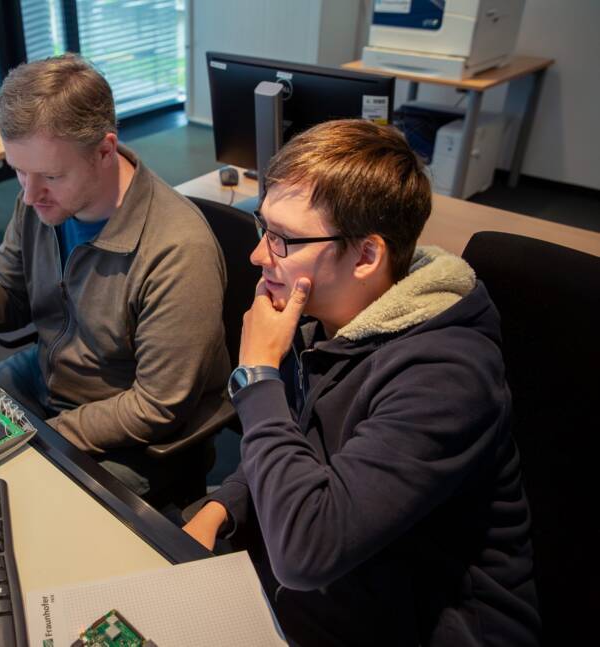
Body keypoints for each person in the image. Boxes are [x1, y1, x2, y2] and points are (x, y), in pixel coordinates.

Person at [182, 120, 540, 645]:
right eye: (263, 228)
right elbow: (304, 443)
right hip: (342, 584)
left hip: (430, 623)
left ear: (367, 256)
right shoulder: (326, 326)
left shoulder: (447, 376)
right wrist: (225, 506)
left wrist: (257, 376)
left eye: (281, 239)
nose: (259, 255)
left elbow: (307, 551)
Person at [0, 54, 229, 497]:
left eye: (50, 174)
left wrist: (41, 435)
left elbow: (157, 405)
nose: (29, 195)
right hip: (50, 378)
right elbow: (10, 295)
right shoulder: (43, 200)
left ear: (105, 150)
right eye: (18, 171)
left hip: (136, 434)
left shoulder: (178, 251)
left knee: (21, 500)